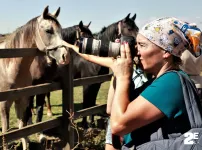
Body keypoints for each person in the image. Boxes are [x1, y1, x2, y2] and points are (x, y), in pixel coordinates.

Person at [63, 17, 202, 149]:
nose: (137, 52)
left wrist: (124, 77)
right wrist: (118, 72)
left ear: (166, 51)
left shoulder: (171, 82)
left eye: (142, 45)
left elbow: (118, 124)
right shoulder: (157, 82)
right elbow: (112, 109)